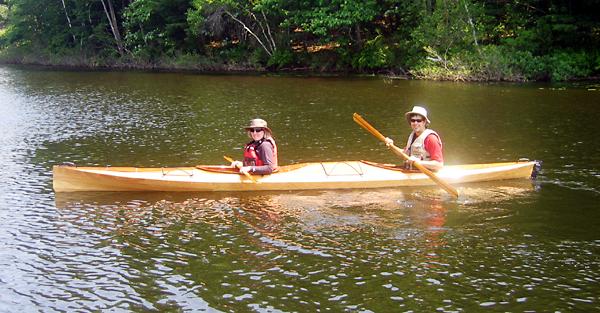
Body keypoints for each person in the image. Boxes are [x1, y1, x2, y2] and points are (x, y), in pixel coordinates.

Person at [384, 105, 444, 171]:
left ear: (424, 122)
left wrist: (419, 163)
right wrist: (391, 146)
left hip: (426, 174)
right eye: (413, 120)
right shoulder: (413, 136)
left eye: (419, 120)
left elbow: (439, 165)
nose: (415, 123)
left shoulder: (431, 138)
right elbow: (404, 154)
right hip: (412, 170)